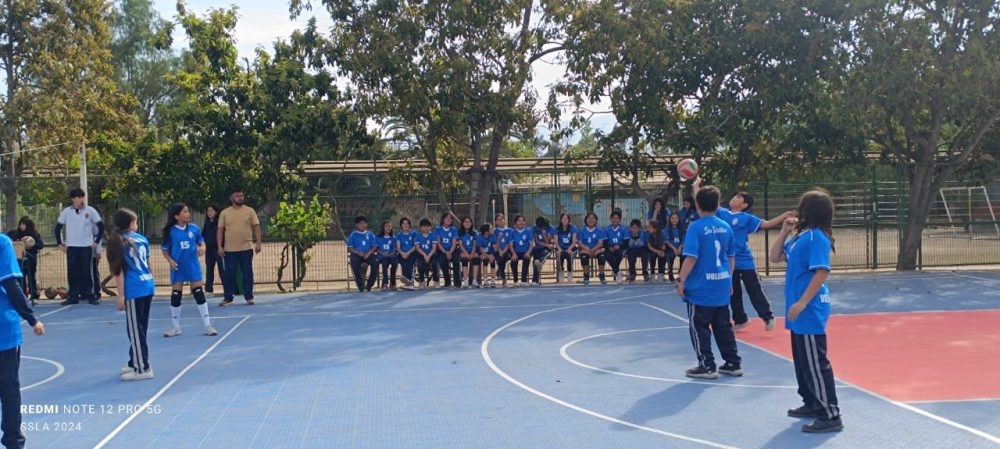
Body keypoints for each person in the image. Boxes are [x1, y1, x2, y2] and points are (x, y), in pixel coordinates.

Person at [768, 190, 843, 433]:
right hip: (798, 309)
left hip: (808, 309)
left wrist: (802, 302)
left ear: (809, 212)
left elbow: (822, 272)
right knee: (802, 361)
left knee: (815, 363)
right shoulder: (802, 237)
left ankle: (830, 414)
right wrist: (784, 231)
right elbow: (775, 257)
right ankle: (811, 402)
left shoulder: (817, 238)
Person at [676, 185, 741, 379]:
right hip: (721, 282)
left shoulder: (695, 227)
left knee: (699, 327)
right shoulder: (726, 226)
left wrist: (681, 280)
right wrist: (729, 279)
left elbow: (691, 258)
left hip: (701, 287)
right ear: (718, 204)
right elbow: (731, 256)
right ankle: (732, 362)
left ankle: (707, 365)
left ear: (696, 205)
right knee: (723, 326)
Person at [0, 232, 45, 449]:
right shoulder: (2, 243)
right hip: (3, 330)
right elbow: (11, 285)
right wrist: (31, 317)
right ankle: (13, 441)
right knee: (8, 389)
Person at [107, 208, 156, 381]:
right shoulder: (142, 239)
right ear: (130, 224)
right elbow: (148, 264)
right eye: (135, 222)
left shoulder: (117, 241)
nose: (137, 225)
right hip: (147, 284)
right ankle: (133, 361)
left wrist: (120, 296)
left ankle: (143, 368)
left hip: (135, 288)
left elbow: (119, 272)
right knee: (140, 329)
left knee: (135, 330)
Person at [161, 203, 218, 338]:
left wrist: (202, 248)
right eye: (185, 212)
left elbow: (201, 241)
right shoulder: (170, 231)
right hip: (178, 267)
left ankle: (207, 325)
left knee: (198, 292)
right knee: (176, 294)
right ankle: (175, 326)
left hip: (192, 265)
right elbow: (164, 250)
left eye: (188, 211)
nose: (188, 214)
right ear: (176, 216)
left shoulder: (194, 228)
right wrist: (170, 260)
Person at [54, 188, 104, 305]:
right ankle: (73, 296)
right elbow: (57, 228)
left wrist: (96, 241)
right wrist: (60, 244)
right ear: (73, 199)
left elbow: (101, 226)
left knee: (87, 272)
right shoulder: (67, 212)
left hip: (86, 246)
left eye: (82, 197)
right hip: (72, 247)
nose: (81, 199)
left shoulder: (90, 210)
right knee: (72, 272)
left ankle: (91, 295)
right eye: (78, 197)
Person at [217, 188, 262, 306]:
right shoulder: (225, 213)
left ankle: (249, 297)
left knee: (247, 273)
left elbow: (256, 226)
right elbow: (220, 230)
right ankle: (228, 298)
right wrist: (219, 247)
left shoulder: (250, 211)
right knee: (229, 274)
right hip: (229, 250)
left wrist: (258, 243)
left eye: (241, 195)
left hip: (246, 248)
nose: (240, 198)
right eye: (237, 196)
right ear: (231, 198)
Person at [7, 217, 43, 301]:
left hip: (31, 258)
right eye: (20, 224)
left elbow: (40, 245)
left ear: (28, 225)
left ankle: (33, 295)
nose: (21, 226)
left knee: (31, 276)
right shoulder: (16, 234)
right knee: (21, 277)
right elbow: (9, 237)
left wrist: (32, 244)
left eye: (23, 224)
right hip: (19, 259)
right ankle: (23, 295)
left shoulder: (35, 234)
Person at [347, 216, 378, 292]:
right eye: (360, 223)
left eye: (364, 223)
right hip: (356, 254)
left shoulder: (370, 234)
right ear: (356, 225)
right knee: (354, 263)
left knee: (375, 262)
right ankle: (361, 285)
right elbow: (350, 248)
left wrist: (369, 253)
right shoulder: (352, 235)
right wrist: (358, 252)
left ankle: (369, 285)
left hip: (369, 254)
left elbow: (375, 246)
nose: (363, 225)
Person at [577, 212, 607, 285]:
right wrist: (587, 249)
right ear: (586, 220)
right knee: (584, 257)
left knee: (602, 256)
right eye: (589, 218)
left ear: (596, 220)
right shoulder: (582, 230)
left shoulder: (600, 230)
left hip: (596, 249)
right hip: (585, 249)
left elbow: (600, 243)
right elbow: (580, 243)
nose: (591, 220)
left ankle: (602, 275)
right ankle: (586, 275)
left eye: (593, 218)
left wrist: (593, 249)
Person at [435, 213, 460, 288]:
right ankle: (447, 282)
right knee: (442, 261)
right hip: (442, 250)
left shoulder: (454, 229)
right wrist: (445, 252)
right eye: (447, 217)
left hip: (452, 249)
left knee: (456, 260)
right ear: (443, 219)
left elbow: (454, 243)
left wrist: (450, 252)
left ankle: (457, 283)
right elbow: (438, 243)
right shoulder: (438, 229)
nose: (449, 219)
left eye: (450, 218)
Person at [202, 204, 223, 296]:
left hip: (219, 250)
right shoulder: (207, 224)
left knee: (222, 270)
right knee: (209, 270)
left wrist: (222, 247)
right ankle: (209, 290)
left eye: (211, 211)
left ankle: (228, 289)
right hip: (209, 251)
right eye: (208, 211)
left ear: (216, 212)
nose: (209, 213)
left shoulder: (220, 223)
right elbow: (202, 236)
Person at [508, 215, 534, 288]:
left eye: (522, 220)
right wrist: (513, 254)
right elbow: (510, 245)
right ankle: (515, 281)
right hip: (515, 252)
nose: (521, 222)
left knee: (526, 259)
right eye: (519, 220)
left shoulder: (528, 230)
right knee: (513, 261)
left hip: (526, 251)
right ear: (515, 222)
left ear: (525, 222)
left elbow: (531, 244)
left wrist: (528, 252)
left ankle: (523, 281)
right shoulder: (512, 232)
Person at [604, 210, 628, 284]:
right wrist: (609, 247)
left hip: (621, 248)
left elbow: (626, 242)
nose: (615, 219)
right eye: (613, 218)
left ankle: (615, 271)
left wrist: (620, 246)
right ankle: (618, 272)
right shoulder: (606, 229)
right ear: (610, 219)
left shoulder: (623, 229)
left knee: (619, 254)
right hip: (610, 247)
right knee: (606, 255)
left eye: (617, 218)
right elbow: (604, 242)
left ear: (620, 219)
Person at [530, 216, 554, 286]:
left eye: (541, 227)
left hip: (547, 248)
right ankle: (535, 280)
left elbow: (547, 242)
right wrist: (546, 245)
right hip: (538, 247)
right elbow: (536, 241)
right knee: (535, 259)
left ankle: (540, 263)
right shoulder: (534, 228)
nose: (539, 228)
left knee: (542, 256)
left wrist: (543, 233)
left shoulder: (550, 228)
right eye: (538, 227)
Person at [414, 218, 438, 288]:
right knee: (420, 264)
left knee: (434, 263)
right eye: (423, 226)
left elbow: (434, 248)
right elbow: (417, 247)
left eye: (427, 226)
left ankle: (436, 281)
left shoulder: (433, 235)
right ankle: (421, 281)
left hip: (432, 254)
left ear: (430, 227)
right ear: (420, 227)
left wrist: (429, 256)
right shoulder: (417, 236)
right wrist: (424, 255)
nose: (425, 228)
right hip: (422, 254)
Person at [554, 213, 577, 283]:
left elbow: (574, 242)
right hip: (560, 248)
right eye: (563, 218)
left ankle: (570, 271)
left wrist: (570, 248)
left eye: (566, 218)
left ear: (569, 220)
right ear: (561, 220)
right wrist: (559, 249)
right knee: (559, 256)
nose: (564, 220)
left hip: (570, 248)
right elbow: (556, 242)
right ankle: (561, 272)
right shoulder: (557, 229)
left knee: (569, 256)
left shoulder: (573, 228)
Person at [375, 220, 398, 291]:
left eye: (389, 226)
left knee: (394, 263)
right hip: (382, 257)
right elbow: (376, 248)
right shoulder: (378, 237)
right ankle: (384, 284)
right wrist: (382, 253)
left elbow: (395, 250)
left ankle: (392, 283)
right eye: (386, 226)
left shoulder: (394, 238)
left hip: (391, 256)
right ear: (383, 227)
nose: (388, 228)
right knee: (384, 264)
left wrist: (389, 254)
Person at [396, 218, 418, 290]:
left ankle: (409, 282)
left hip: (412, 252)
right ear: (401, 225)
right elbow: (398, 247)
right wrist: (402, 253)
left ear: (409, 225)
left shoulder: (414, 233)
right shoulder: (399, 235)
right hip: (402, 253)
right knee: (403, 261)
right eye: (404, 223)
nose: (406, 225)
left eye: (407, 223)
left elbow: (415, 246)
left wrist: (408, 252)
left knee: (410, 261)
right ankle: (409, 283)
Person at [457, 217, 478, 288]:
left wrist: (472, 253)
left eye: (469, 221)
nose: (467, 223)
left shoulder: (474, 232)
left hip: (472, 251)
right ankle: (466, 280)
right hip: (463, 251)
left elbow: (474, 245)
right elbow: (460, 245)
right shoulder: (459, 232)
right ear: (462, 223)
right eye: (465, 222)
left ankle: (474, 280)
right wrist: (466, 254)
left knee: (476, 258)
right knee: (464, 259)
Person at [625, 219, 649, 283]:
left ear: (639, 228)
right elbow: (629, 244)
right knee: (631, 256)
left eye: (636, 228)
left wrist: (637, 238)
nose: (634, 230)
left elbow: (644, 244)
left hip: (642, 249)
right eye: (633, 227)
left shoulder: (643, 233)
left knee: (645, 255)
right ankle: (632, 273)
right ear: (630, 228)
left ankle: (645, 272)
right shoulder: (628, 233)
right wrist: (633, 238)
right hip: (632, 249)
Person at [664, 212, 685, 282]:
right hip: (671, 248)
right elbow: (667, 241)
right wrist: (673, 248)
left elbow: (684, 240)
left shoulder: (682, 229)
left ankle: (681, 273)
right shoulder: (666, 229)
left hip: (680, 248)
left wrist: (680, 247)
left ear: (679, 219)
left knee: (684, 255)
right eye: (672, 218)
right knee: (670, 256)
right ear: (670, 219)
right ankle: (670, 273)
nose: (674, 220)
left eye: (676, 218)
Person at [493, 214, 513, 288]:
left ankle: (500, 271)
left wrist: (503, 251)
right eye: (498, 220)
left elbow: (509, 242)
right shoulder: (494, 231)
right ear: (495, 222)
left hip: (507, 250)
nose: (500, 221)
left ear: (504, 220)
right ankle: (504, 279)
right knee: (499, 258)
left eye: (501, 219)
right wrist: (500, 250)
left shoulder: (510, 230)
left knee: (504, 256)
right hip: (497, 250)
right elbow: (495, 243)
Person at [476, 224, 497, 288]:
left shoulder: (493, 236)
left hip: (491, 253)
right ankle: (485, 279)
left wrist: (492, 255)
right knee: (485, 260)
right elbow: (481, 249)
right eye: (490, 229)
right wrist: (488, 256)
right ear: (486, 232)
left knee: (492, 261)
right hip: (483, 253)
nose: (492, 230)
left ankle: (493, 280)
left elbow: (495, 248)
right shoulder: (480, 237)